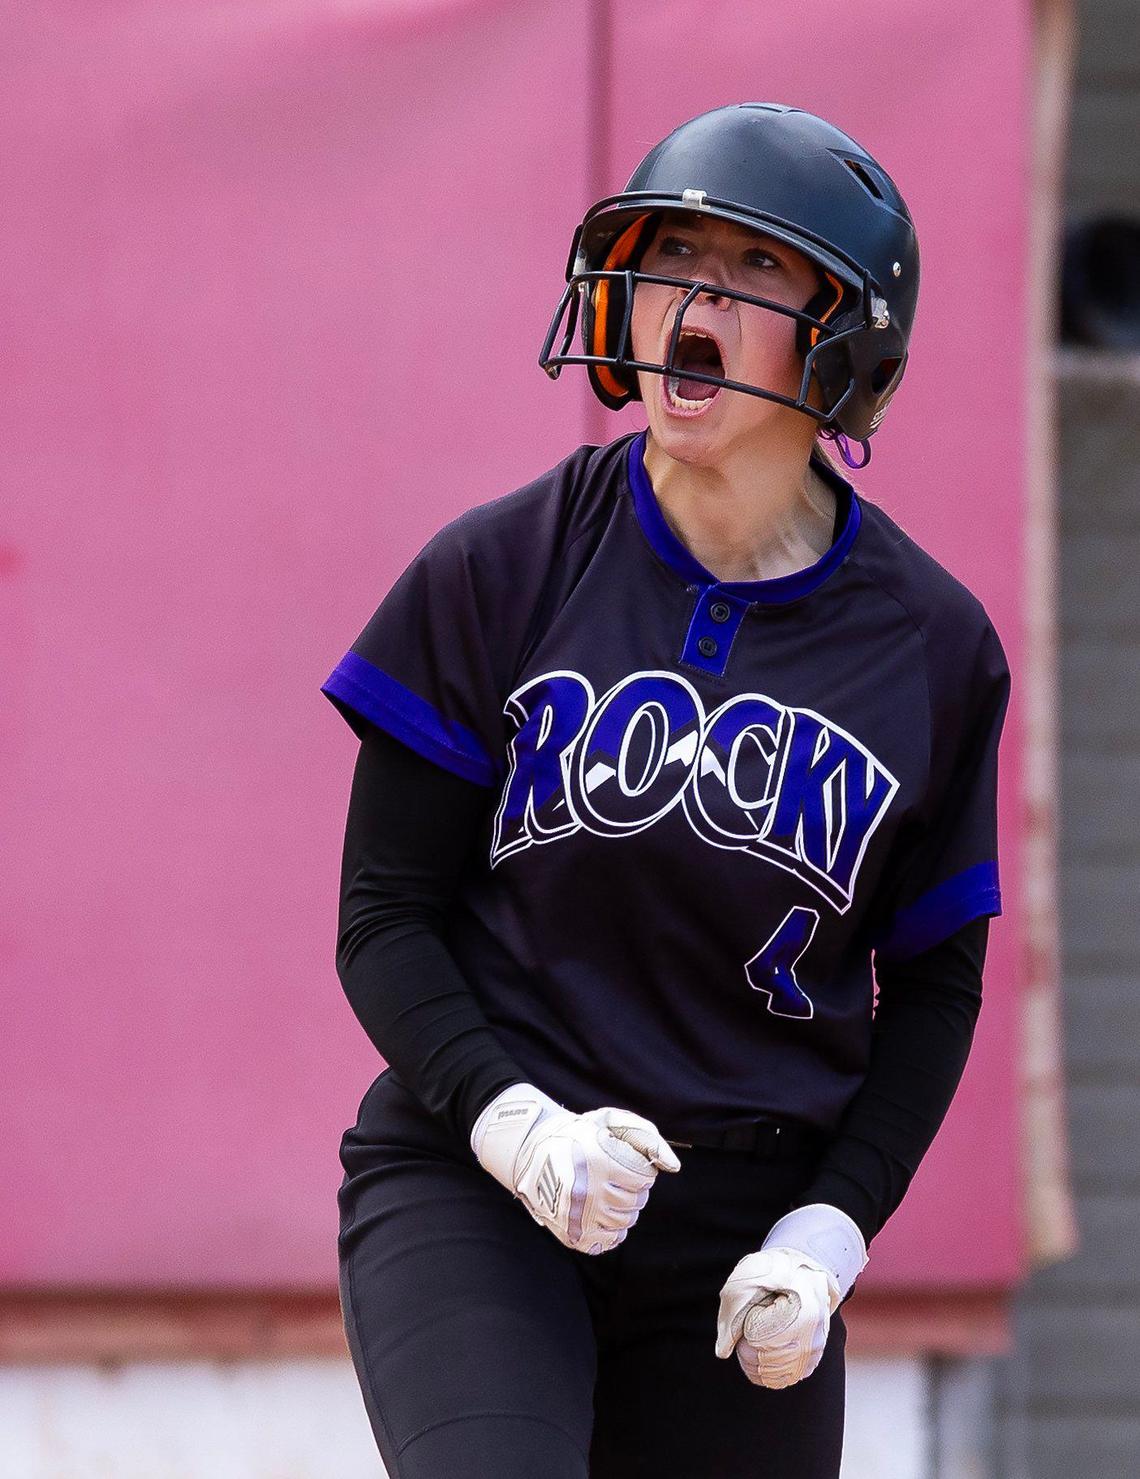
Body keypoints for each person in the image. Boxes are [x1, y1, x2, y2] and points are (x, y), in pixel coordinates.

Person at [322, 102, 1010, 1479]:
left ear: (846, 344)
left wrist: (828, 1238)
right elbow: (383, 919)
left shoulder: (934, 648)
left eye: (754, 266)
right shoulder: (500, 568)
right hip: (482, 1168)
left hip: (745, 1219)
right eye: (670, 253)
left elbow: (932, 988)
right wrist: (516, 1128)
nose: (691, 293)